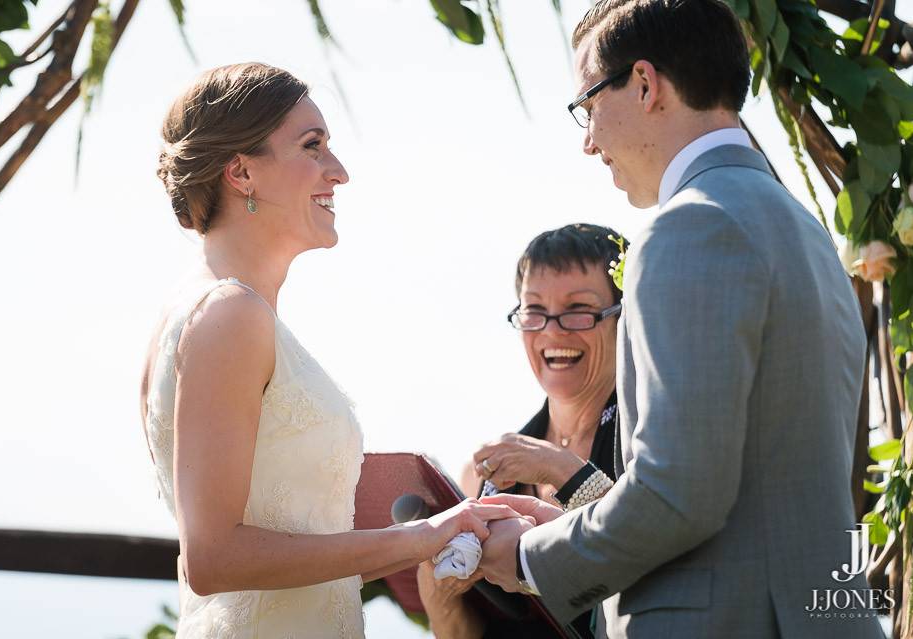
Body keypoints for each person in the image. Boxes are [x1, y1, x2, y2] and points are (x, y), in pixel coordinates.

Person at [477, 2, 884, 638]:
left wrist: (530, 556)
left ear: (644, 84)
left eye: (586, 106)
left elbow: (679, 498)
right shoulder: (805, 230)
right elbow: (747, 486)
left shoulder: (689, 227)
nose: (588, 140)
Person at [138, 62, 522, 638]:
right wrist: (425, 536)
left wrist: (440, 524)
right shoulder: (229, 316)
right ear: (241, 171)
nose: (338, 173)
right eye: (312, 146)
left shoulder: (203, 311)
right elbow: (213, 558)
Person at [417, 223, 627, 638]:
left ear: (625, 317)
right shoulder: (479, 477)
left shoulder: (653, 440)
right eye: (534, 311)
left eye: (578, 309)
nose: (552, 330)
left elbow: (653, 552)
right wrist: (439, 592)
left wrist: (559, 468)